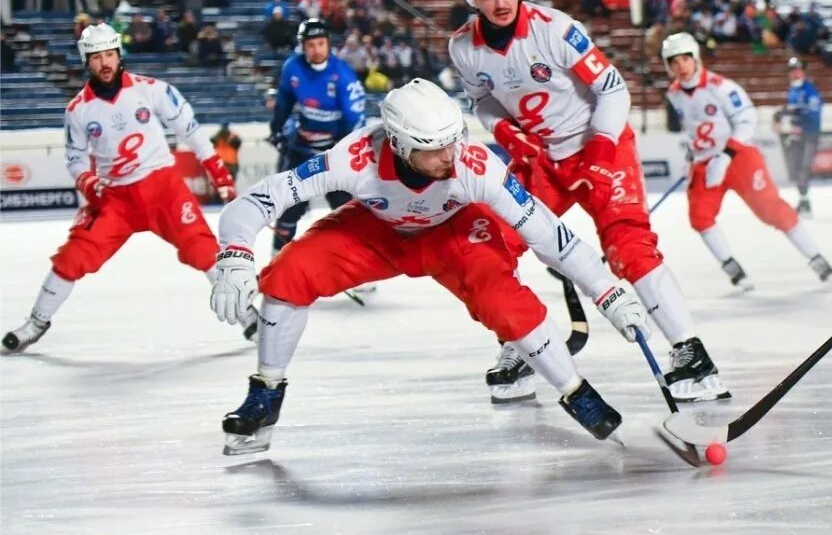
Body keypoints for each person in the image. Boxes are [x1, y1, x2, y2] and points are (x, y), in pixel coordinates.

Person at [208, 79, 649, 454]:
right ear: (398, 145)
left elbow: (548, 234)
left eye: (453, 141)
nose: (450, 156)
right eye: (434, 150)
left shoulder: (475, 166)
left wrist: (607, 291)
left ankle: (576, 391)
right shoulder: (354, 157)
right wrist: (235, 253)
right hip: (378, 231)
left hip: (452, 231)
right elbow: (260, 199)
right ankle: (265, 394)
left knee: (504, 300)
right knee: (289, 272)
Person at [448, 0, 729, 402]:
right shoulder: (464, 47)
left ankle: (691, 354)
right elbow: (482, 100)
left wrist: (600, 147)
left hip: (599, 146)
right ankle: (520, 345)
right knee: (490, 244)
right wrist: (503, 129)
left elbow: (613, 88)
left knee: (627, 247)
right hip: (540, 160)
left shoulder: (556, 29)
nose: (500, 2)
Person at [3, 23, 239, 353]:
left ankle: (248, 317)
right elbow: (75, 158)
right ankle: (36, 323)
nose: (104, 63)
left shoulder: (151, 89)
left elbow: (191, 131)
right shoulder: (78, 110)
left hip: (164, 190)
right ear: (86, 61)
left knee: (203, 251)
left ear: (120, 55)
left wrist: (219, 173)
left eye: (110, 54)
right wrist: (88, 181)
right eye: (96, 56)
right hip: (116, 199)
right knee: (72, 257)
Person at [661, 32, 832, 292]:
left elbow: (746, 120)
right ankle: (733, 270)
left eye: (685, 59)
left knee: (772, 210)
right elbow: (691, 129)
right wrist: (691, 157)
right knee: (699, 217)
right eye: (674, 62)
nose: (681, 66)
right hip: (705, 162)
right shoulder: (673, 94)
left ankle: (817, 259)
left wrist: (725, 155)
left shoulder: (721, 86)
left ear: (696, 57)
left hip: (738, 156)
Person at [268, 19, 367, 253]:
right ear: (303, 46)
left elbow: (355, 121)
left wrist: (342, 153)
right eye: (311, 44)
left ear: (329, 44)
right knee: (288, 208)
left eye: (321, 43)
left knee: (347, 212)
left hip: (334, 151)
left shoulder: (344, 76)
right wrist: (276, 129)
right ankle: (276, 266)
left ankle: (357, 270)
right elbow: (283, 101)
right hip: (301, 148)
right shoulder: (292, 67)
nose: (316, 50)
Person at [776, 57, 822, 216]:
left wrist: (795, 118)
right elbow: (791, 109)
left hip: (809, 134)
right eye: (792, 70)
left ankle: (805, 201)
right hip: (796, 133)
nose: (795, 73)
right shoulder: (793, 90)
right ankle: (803, 199)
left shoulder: (810, 90)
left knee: (804, 167)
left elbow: (813, 113)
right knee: (795, 167)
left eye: (797, 70)